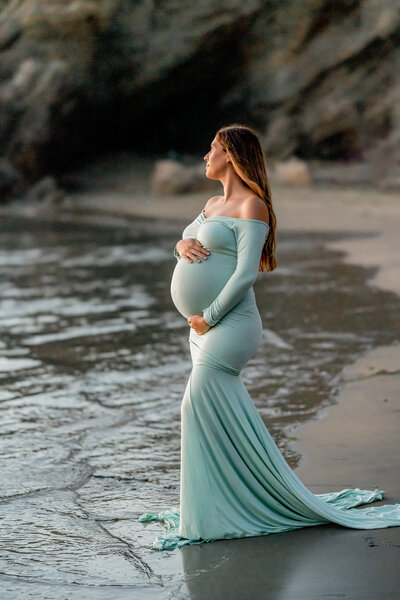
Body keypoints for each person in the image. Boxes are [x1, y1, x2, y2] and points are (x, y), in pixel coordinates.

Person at [139, 123, 400, 550]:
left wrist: (208, 316)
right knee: (211, 411)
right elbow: (187, 237)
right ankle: (218, 502)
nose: (205, 156)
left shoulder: (252, 207)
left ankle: (220, 506)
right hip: (202, 330)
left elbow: (245, 274)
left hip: (230, 325)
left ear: (232, 155)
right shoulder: (212, 202)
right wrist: (179, 247)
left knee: (194, 405)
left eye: (212, 148)